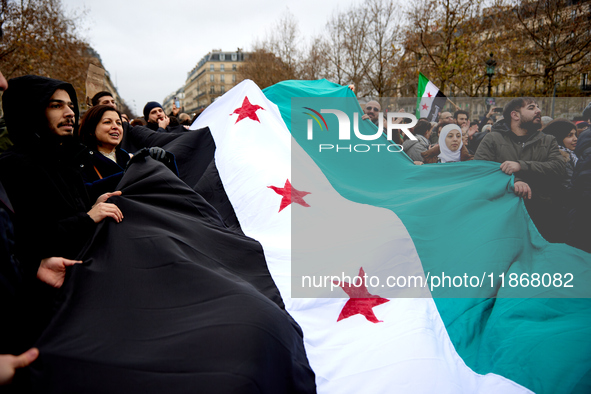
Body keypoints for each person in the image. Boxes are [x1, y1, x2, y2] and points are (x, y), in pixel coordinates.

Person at [0, 75, 124, 350]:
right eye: (56, 105)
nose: (70, 113)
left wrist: (94, 205)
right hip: (42, 314)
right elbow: (28, 238)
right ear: (30, 110)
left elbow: (66, 213)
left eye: (69, 105)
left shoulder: (63, 161)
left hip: (78, 295)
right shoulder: (13, 168)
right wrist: (88, 218)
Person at [475, 97, 565, 241]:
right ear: (515, 115)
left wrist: (521, 165)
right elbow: (480, 171)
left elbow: (560, 168)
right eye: (531, 108)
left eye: (537, 107)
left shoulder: (548, 140)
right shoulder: (492, 139)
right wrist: (513, 181)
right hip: (502, 216)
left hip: (542, 216)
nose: (538, 111)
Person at [78, 105, 132, 201]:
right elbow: (83, 191)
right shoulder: (81, 158)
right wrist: (131, 174)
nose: (115, 127)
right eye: (107, 122)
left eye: (119, 123)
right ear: (91, 129)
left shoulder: (125, 157)